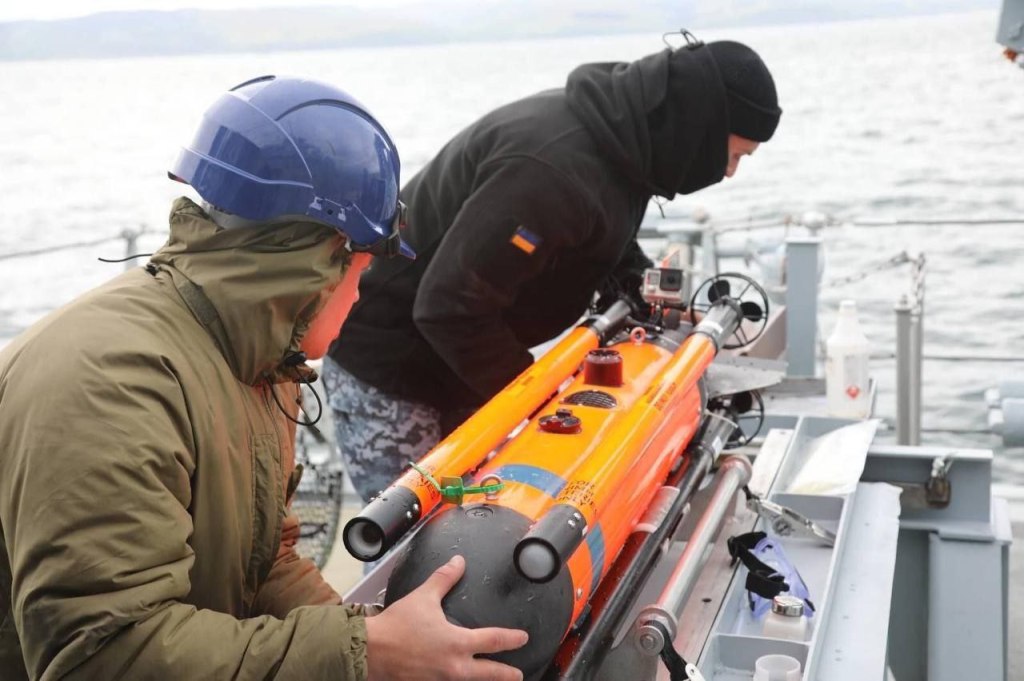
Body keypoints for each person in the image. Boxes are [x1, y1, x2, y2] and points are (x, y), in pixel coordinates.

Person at [0, 75, 527, 681]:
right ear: (310, 263)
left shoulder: (257, 358)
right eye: (359, 268)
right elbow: (103, 655)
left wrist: (381, 639)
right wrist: (366, 653)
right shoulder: (107, 382)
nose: (361, 293)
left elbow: (263, 562)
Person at [324, 37, 782, 504]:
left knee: (476, 513)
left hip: (454, 356)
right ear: (702, 129)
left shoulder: (627, 145)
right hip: (388, 365)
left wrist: (648, 294)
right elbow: (449, 306)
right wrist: (548, 401)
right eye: (735, 155)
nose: (729, 173)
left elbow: (606, 236)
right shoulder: (550, 170)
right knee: (413, 540)